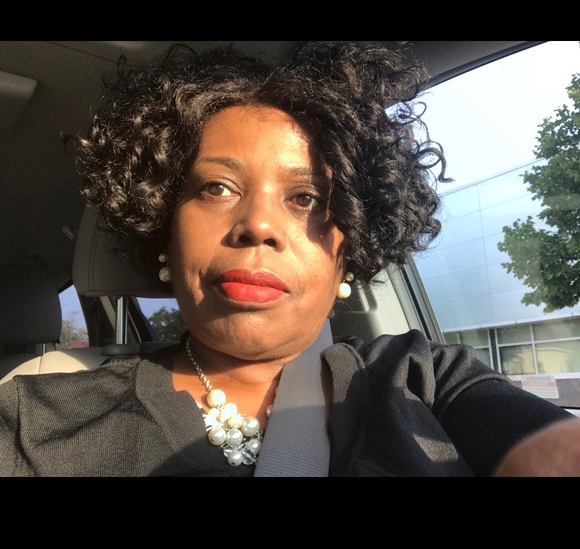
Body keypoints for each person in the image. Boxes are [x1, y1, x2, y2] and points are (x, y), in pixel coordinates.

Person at [1, 40, 580, 477]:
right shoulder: (33, 422)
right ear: (165, 231)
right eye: (217, 188)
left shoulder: (427, 379)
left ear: (350, 247)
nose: (257, 225)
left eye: (307, 198)